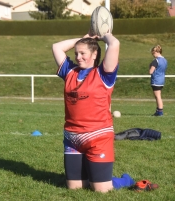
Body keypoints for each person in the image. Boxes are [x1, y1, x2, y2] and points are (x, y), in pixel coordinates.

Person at [52, 31, 135, 193]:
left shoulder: (104, 73)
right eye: (76, 53)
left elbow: (114, 44)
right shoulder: (69, 71)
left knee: (101, 190)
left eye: (83, 53)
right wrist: (84, 39)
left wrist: (105, 35)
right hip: (73, 137)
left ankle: (125, 180)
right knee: (75, 188)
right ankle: (94, 174)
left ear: (94, 53)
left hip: (98, 137)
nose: (78, 57)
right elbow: (57, 47)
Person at [149, 45, 168, 116]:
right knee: (158, 95)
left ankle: (160, 111)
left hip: (156, 80)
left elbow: (151, 72)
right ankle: (158, 110)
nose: (152, 54)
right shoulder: (165, 60)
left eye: (153, 53)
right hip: (161, 79)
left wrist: (150, 67)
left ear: (156, 52)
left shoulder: (155, 61)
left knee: (158, 96)